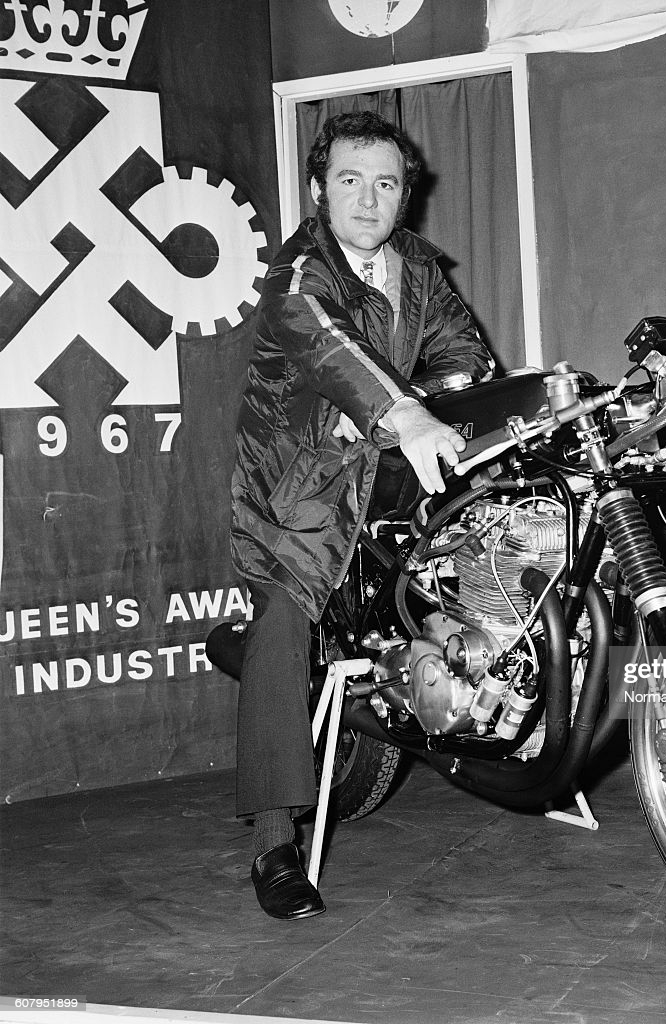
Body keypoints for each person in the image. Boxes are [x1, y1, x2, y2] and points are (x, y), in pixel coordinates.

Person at [230, 111, 494, 920]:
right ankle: (273, 842)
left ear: (404, 195)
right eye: (350, 180)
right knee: (281, 623)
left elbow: (465, 358)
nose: (368, 198)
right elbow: (327, 346)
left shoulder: (416, 269)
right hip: (298, 486)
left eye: (385, 182)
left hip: (390, 474)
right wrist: (404, 415)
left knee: (502, 529)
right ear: (318, 191)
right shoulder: (298, 274)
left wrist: (442, 408)